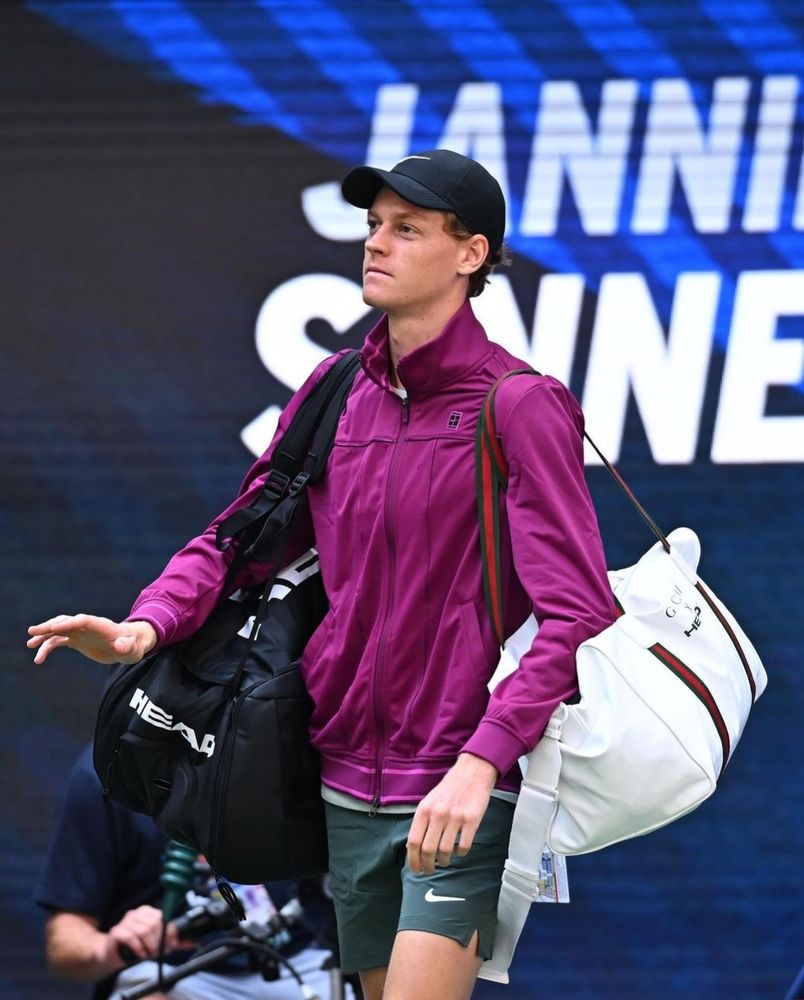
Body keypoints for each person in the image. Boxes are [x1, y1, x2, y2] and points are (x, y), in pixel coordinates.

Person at [28, 148, 616, 1000]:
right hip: (337, 776)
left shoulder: (520, 404)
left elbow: (577, 614)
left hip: (458, 780)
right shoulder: (337, 388)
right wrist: (143, 626)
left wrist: (483, 763)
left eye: (406, 228)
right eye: (373, 226)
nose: (375, 244)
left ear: (471, 253)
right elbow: (238, 541)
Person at [33, 744, 351, 1000]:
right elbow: (65, 944)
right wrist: (110, 947)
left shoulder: (291, 744)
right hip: (171, 975)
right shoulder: (105, 770)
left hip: (302, 965)